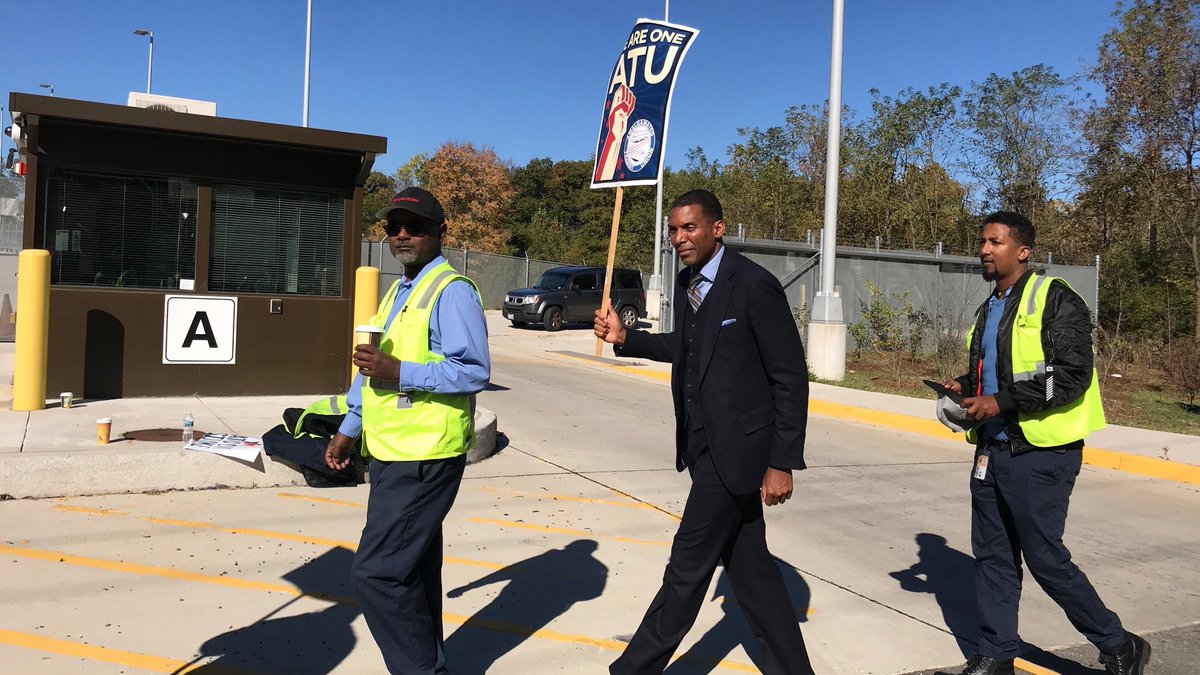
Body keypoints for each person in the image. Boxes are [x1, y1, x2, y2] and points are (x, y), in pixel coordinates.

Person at [594, 189, 814, 674]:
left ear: (717, 228)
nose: (678, 238)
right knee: (753, 575)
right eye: (673, 230)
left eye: (688, 228)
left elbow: (789, 377)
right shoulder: (689, 281)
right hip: (703, 450)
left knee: (686, 572)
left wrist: (781, 462)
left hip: (735, 455)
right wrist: (627, 338)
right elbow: (688, 347)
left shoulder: (754, 285)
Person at [941, 211, 1149, 675]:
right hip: (992, 450)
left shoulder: (1055, 298)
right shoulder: (989, 306)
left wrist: (1001, 402)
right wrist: (962, 386)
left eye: (994, 242)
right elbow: (994, 371)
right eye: (982, 242)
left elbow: (1071, 375)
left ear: (1023, 251)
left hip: (1041, 453)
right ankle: (996, 655)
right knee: (992, 557)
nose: (984, 250)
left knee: (1045, 559)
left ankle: (1118, 644)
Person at [325, 186, 490, 674]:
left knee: (378, 573)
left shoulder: (451, 291)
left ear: (440, 232)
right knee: (414, 569)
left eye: (414, 227)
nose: (401, 235)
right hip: (392, 452)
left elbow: (473, 370)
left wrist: (403, 371)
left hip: (425, 458)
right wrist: (349, 426)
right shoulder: (400, 291)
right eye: (393, 227)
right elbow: (372, 368)